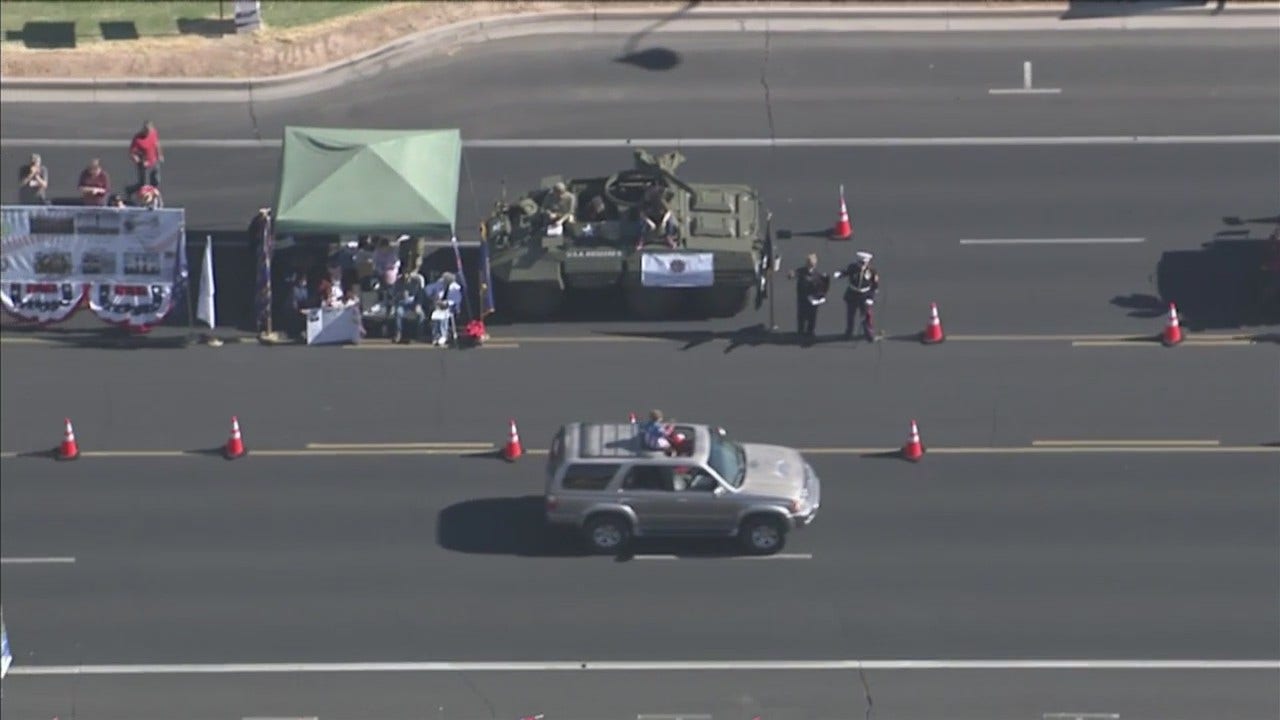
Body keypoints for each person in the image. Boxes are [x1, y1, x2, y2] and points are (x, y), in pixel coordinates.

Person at [832, 251, 880, 341]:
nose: (862, 265)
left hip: (864, 295)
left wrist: (871, 298)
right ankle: (848, 333)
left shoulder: (872, 271)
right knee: (850, 315)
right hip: (852, 293)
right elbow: (847, 272)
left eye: (864, 263)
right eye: (860, 263)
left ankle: (869, 334)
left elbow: (875, 286)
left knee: (866, 316)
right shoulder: (853, 267)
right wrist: (840, 274)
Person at [787, 253, 828, 341]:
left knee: (812, 317)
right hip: (803, 299)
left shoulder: (817, 275)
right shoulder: (801, 271)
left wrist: (820, 295)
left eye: (812, 264)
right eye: (809, 263)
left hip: (812, 299)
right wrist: (791, 274)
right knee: (801, 316)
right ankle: (800, 332)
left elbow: (822, 287)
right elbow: (794, 274)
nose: (810, 265)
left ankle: (810, 332)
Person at [126, 120, 163, 196]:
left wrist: (160, 155)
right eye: (146, 131)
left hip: (154, 161)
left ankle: (152, 194)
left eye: (149, 131)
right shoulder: (137, 139)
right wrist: (136, 159)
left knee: (156, 180)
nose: (147, 133)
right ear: (143, 129)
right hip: (144, 165)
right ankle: (130, 190)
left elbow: (156, 144)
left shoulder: (153, 133)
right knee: (143, 184)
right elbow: (132, 152)